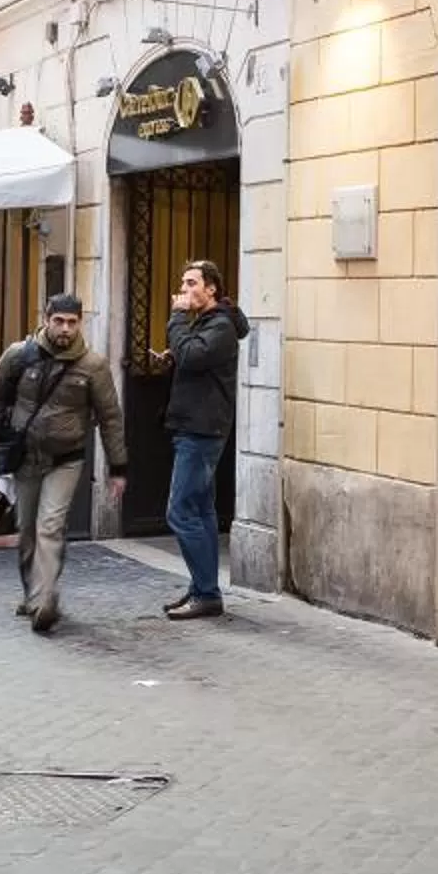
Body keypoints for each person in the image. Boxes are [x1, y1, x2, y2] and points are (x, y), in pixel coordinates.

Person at [0, 294, 125, 635]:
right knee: (28, 528)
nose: (65, 329)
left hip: (67, 458)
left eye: (72, 322)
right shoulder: (20, 355)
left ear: (80, 323)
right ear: (46, 319)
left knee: (50, 526)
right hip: (26, 456)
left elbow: (110, 417)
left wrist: (118, 467)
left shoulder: (94, 365)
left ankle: (45, 600)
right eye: (59, 321)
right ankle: (32, 593)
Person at [160, 260, 249, 620]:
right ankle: (203, 589)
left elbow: (194, 354)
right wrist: (175, 353)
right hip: (196, 425)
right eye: (183, 283)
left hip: (202, 429)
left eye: (191, 283)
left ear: (211, 288)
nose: (184, 290)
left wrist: (177, 319)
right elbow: (193, 357)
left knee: (180, 511)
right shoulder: (210, 324)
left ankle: (207, 593)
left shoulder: (221, 325)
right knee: (202, 511)